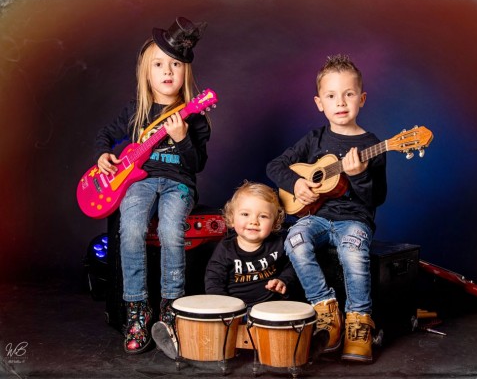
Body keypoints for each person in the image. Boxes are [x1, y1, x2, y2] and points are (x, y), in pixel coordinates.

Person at [95, 17, 210, 354]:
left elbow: (197, 164)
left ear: (185, 72)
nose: (167, 71)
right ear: (147, 72)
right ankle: (137, 309)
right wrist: (103, 154)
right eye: (159, 64)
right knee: (130, 229)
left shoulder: (195, 116)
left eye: (175, 64)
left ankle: (170, 308)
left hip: (178, 185)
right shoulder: (136, 111)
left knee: (172, 231)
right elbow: (104, 135)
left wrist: (182, 138)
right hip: (139, 183)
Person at [266, 54, 387, 363]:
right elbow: (275, 166)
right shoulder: (315, 138)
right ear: (320, 103)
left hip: (354, 221)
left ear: (362, 98)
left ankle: (359, 322)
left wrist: (358, 175)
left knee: (352, 251)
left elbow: (377, 198)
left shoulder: (373, 144)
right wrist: (296, 185)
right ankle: (326, 310)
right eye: (332, 95)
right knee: (294, 239)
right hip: (316, 217)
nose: (341, 102)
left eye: (348, 94)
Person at [152, 181, 298, 360]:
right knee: (208, 328)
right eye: (245, 214)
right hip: (233, 312)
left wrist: (283, 280)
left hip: (267, 309)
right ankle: (178, 345)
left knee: (287, 323)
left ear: (275, 221)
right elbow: (213, 279)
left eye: (263, 216)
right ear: (232, 217)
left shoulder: (278, 244)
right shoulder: (226, 249)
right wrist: (223, 308)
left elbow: (293, 266)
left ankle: (306, 345)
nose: (253, 221)